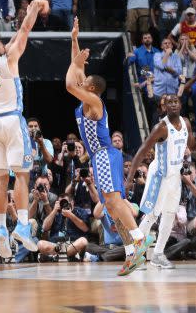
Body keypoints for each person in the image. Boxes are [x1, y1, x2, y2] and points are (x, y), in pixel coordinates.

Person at [64, 17, 148, 276]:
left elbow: (69, 82)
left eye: (85, 79)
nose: (82, 79)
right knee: (110, 208)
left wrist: (77, 62)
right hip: (97, 158)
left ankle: (140, 241)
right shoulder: (86, 97)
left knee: (114, 200)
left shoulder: (94, 102)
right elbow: (75, 72)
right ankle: (133, 252)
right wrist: (74, 39)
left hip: (105, 154)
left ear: (91, 88)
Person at [0, 0, 48, 261]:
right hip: (12, 120)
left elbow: (14, 39)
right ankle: (24, 226)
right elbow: (24, 32)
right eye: (0, 43)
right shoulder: (8, 60)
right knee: (22, 175)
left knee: (1, 179)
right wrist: (35, 10)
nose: (5, 45)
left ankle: (2, 229)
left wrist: (27, 14)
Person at [127, 94, 196, 269]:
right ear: (164, 108)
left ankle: (158, 255)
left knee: (170, 214)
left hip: (175, 176)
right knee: (152, 215)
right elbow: (141, 152)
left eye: (175, 101)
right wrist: (129, 180)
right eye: (168, 102)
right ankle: (135, 255)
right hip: (160, 175)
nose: (172, 104)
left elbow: (192, 147)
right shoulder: (161, 127)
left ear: (180, 104)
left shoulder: (185, 123)